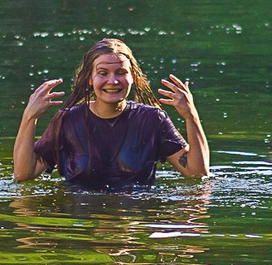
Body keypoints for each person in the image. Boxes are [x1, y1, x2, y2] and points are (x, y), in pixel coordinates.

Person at [15, 37, 210, 187]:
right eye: (103, 73)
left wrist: (191, 117)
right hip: (83, 221)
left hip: (136, 218)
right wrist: (29, 118)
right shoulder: (68, 121)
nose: (113, 81)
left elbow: (197, 174)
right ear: (90, 78)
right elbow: (23, 175)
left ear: (133, 77)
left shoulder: (152, 120)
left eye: (121, 72)